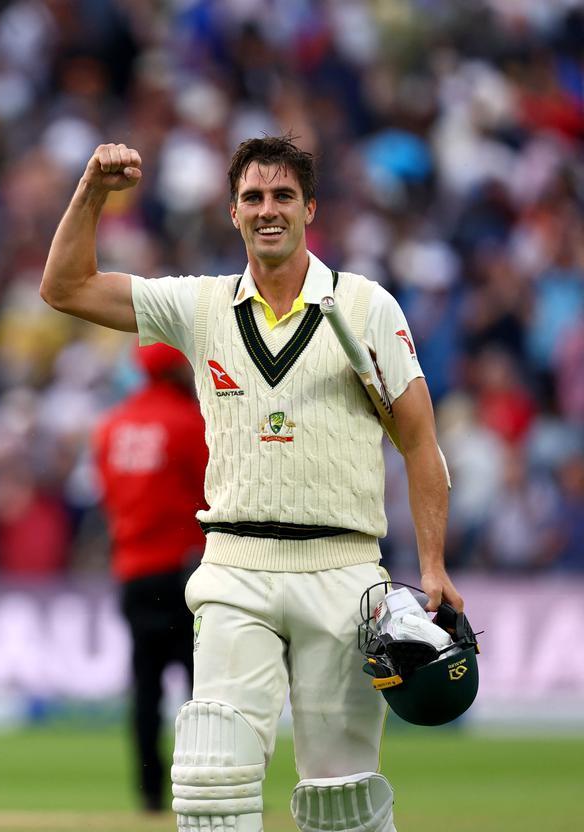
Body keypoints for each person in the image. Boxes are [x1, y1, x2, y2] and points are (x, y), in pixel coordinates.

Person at [42, 136, 463, 832]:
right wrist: (92, 190)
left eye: (283, 197)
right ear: (232, 213)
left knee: (343, 803)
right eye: (253, 198)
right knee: (211, 785)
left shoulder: (367, 306)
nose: (268, 211)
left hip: (343, 571)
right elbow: (65, 287)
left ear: (310, 209)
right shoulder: (200, 307)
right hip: (235, 567)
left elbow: (421, 443)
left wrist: (434, 565)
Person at [93, 342, 208, 814]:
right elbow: (214, 491)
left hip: (133, 570)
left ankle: (149, 795)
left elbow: (109, 496)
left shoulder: (111, 427)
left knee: (145, 689)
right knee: (202, 690)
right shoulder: (190, 422)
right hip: (186, 572)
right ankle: (203, 788)